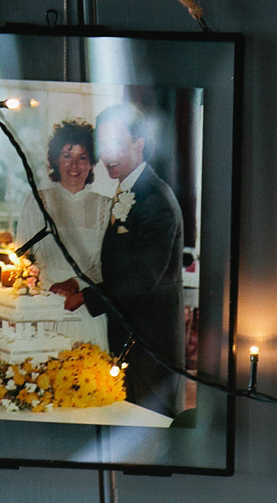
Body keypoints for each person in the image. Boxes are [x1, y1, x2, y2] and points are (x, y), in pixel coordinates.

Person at [75, 102, 185, 416]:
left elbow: (142, 278)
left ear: (139, 143)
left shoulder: (154, 200)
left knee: (150, 429)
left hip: (151, 345)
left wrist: (87, 296)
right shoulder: (131, 191)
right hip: (132, 338)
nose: (107, 155)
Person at [15, 119, 110, 293]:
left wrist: (77, 285)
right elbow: (23, 255)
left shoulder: (106, 207)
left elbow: (108, 264)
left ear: (91, 163)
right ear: (56, 160)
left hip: (87, 302)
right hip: (44, 297)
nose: (74, 165)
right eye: (67, 156)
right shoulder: (36, 202)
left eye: (82, 157)